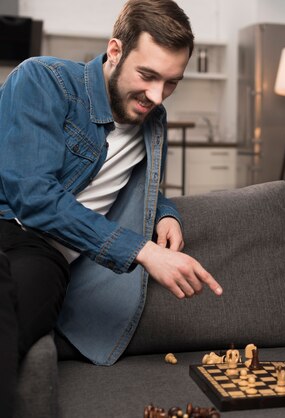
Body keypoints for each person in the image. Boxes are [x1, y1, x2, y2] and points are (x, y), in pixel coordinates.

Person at [0, 0, 223, 414]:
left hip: (46, 256)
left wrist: (164, 211)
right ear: (115, 51)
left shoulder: (153, 119)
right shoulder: (44, 80)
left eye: (172, 82)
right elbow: (33, 199)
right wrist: (142, 250)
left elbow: (144, 182)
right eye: (148, 75)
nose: (157, 96)